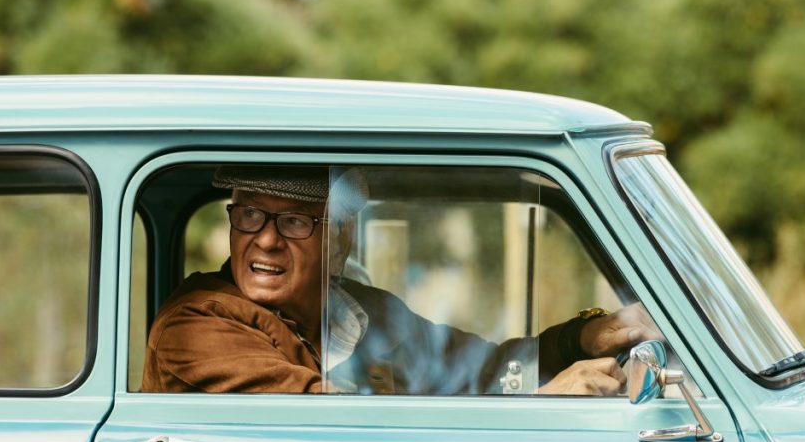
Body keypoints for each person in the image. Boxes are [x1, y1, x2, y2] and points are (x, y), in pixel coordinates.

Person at [141, 166, 658, 395]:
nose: (267, 240)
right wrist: (545, 411)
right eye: (250, 214)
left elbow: (477, 372)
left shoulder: (366, 312)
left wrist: (582, 338)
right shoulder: (195, 327)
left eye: (296, 221)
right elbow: (326, 432)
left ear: (341, 238)